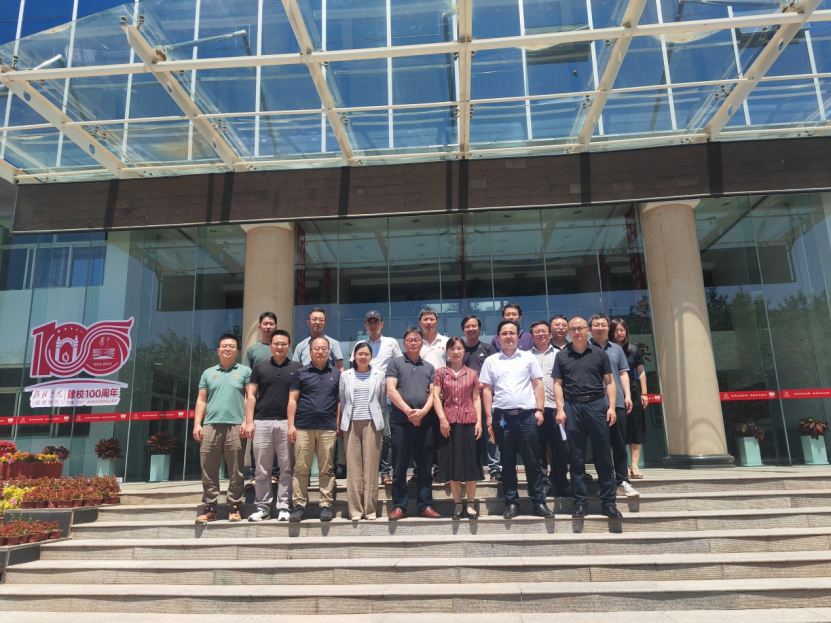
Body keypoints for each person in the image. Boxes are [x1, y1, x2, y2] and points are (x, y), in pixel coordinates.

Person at [480, 320, 553, 519]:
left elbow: (537, 384)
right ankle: (512, 502)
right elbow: (487, 390)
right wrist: (488, 416)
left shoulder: (529, 358)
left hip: (527, 416)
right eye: (504, 333)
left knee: (533, 461)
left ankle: (538, 502)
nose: (508, 336)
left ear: (517, 336)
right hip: (502, 418)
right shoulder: (491, 361)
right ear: (498, 338)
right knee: (507, 462)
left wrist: (540, 410)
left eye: (512, 333)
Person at [552, 317, 621, 519]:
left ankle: (609, 503)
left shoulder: (599, 354)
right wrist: (560, 409)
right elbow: (557, 384)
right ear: (569, 332)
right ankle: (580, 504)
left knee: (603, 456)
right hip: (572, 407)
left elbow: (610, 382)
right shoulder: (562, 356)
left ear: (587, 330)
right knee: (576, 458)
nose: (576, 332)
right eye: (572, 329)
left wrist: (611, 407)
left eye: (580, 328)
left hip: (597, 405)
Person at [242, 330, 301, 522]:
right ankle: (262, 507)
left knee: (287, 468)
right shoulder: (259, 367)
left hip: (286, 423)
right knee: (262, 468)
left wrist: (293, 424)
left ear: (289, 346)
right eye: (276, 343)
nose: (280, 347)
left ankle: (284, 506)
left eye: (283, 344)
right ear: (270, 345)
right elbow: (251, 395)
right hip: (262, 422)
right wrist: (249, 421)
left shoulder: (297, 368)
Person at [192, 333, 251, 524]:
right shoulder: (208, 373)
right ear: (218, 350)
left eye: (232, 346)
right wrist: (197, 424)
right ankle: (210, 507)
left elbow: (249, 398)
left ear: (237, 351)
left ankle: (234, 506)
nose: (228, 349)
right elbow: (202, 399)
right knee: (208, 467)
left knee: (236, 469)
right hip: (211, 425)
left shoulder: (244, 371)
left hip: (236, 426)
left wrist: (247, 421)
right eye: (224, 346)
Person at [386, 326, 440, 520]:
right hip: (402, 422)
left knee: (425, 466)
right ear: (404, 343)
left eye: (417, 339)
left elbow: (434, 394)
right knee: (400, 466)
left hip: (425, 423)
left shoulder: (429, 367)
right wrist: (408, 412)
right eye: (410, 340)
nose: (413, 342)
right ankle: (399, 506)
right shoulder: (395, 363)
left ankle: (425, 505)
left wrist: (423, 412)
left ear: (421, 343)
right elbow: (391, 390)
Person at [287, 337, 342, 522]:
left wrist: (338, 424)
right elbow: (293, 399)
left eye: (324, 348)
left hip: (327, 428)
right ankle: (298, 506)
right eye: (316, 348)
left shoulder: (336, 373)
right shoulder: (300, 372)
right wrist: (291, 425)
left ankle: (325, 505)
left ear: (328, 351)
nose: (320, 351)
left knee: (326, 469)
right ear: (310, 351)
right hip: (303, 427)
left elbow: (339, 401)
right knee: (301, 469)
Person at [432, 336, 483, 520]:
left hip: (469, 422)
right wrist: (442, 419)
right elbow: (436, 397)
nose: (456, 352)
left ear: (464, 351)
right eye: (452, 349)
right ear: (447, 351)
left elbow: (476, 398)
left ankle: (470, 503)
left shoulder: (472, 373)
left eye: (459, 348)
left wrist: (479, 421)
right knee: (452, 465)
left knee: (470, 464)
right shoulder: (440, 373)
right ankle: (457, 503)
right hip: (448, 424)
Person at [589, 314, 639, 499]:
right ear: (590, 329)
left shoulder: (617, 349)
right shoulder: (585, 348)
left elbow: (624, 374)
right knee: (600, 447)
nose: (600, 328)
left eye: (603, 325)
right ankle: (606, 483)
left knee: (619, 445)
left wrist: (627, 396)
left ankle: (623, 481)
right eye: (596, 325)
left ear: (607, 328)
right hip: (595, 405)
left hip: (617, 403)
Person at [340, 342, 385, 520]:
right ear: (354, 356)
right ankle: (355, 510)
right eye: (360, 353)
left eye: (366, 354)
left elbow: (382, 401)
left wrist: (380, 421)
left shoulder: (379, 375)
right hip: (351, 423)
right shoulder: (345, 375)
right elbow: (343, 401)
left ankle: (370, 509)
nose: (363, 357)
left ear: (371, 356)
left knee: (371, 466)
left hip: (372, 423)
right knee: (353, 467)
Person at [360, 310, 402, 486]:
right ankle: (366, 472)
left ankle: (385, 472)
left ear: (382, 324)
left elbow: (400, 366)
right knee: (366, 435)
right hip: (365, 397)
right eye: (370, 322)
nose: (373, 325)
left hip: (386, 397)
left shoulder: (391, 343)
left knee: (386, 435)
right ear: (365, 325)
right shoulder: (361, 344)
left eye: (376, 321)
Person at [529, 320, 570, 498]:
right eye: (537, 332)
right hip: (534, 410)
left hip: (556, 408)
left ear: (549, 333)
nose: (541, 334)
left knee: (559, 449)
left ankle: (561, 484)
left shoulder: (561, 354)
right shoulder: (526, 356)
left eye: (544, 331)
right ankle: (543, 485)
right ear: (532, 336)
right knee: (538, 450)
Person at [243, 311, 281, 490]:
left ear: (276, 326)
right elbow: (247, 379)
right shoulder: (253, 350)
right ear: (259, 327)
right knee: (257, 442)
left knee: (278, 442)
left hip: (280, 403)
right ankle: (255, 475)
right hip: (259, 404)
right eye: (265, 324)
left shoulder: (285, 348)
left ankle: (275, 474)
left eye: (271, 324)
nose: (268, 327)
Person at [461, 315, 501, 482]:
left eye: (474, 326)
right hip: (464, 400)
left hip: (486, 397)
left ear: (479, 328)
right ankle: (469, 468)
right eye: (468, 326)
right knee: (467, 434)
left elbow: (496, 373)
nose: (471, 329)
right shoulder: (459, 349)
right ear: (463, 330)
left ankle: (494, 468)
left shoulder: (488, 348)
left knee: (490, 432)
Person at [611, 318, 649, 480]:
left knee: (636, 429)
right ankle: (622, 466)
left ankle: (634, 465)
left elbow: (641, 372)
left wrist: (644, 393)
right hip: (614, 392)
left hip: (633, 392)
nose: (619, 333)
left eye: (622, 330)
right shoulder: (608, 349)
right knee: (618, 431)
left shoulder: (633, 350)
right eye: (616, 330)